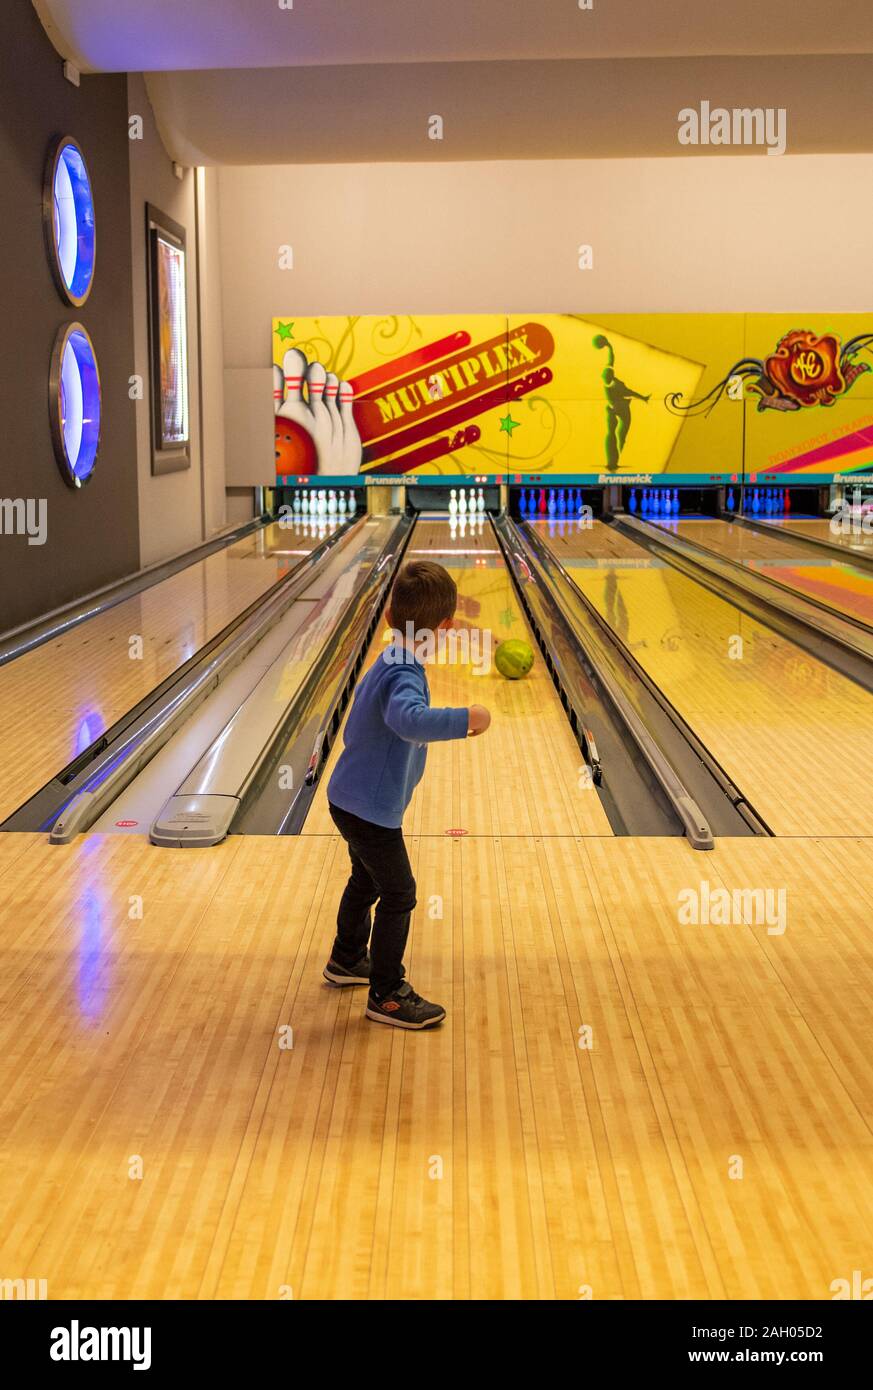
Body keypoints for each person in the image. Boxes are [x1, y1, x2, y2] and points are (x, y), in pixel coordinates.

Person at [323, 559, 491, 1028]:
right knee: (400, 892)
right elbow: (407, 719)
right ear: (444, 627)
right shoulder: (404, 672)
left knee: (367, 880)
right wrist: (466, 719)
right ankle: (388, 994)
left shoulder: (393, 655)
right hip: (370, 811)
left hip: (350, 798)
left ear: (390, 617)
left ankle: (346, 959)